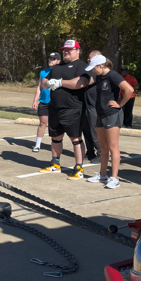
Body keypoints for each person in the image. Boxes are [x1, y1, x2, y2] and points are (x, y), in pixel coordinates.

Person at [39, 39, 90, 180]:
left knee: (75, 138)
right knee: (55, 137)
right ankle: (55, 163)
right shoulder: (57, 66)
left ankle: (79, 167)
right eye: (64, 50)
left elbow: (80, 83)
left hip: (72, 108)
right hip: (54, 107)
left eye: (70, 50)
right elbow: (43, 82)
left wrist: (60, 82)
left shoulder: (81, 66)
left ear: (78, 50)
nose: (66, 52)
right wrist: (48, 83)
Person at [84, 56, 134, 189]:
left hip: (112, 114)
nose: (93, 71)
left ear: (101, 65)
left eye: (94, 68)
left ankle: (115, 178)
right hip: (100, 113)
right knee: (103, 147)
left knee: (113, 147)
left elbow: (129, 89)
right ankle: (102, 175)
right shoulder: (99, 76)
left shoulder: (113, 75)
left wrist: (120, 104)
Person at [31, 53, 60, 152]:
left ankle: (58, 145)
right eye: (49, 59)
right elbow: (39, 87)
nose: (50, 60)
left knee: (58, 125)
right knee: (43, 122)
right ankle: (37, 145)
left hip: (56, 102)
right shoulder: (43, 72)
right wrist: (35, 100)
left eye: (53, 59)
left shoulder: (61, 72)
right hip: (44, 102)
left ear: (58, 61)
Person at [81, 50, 103, 163]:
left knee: (95, 131)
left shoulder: (97, 72)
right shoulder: (88, 70)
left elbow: (88, 82)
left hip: (94, 106)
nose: (88, 60)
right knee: (86, 130)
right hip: (85, 105)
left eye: (91, 58)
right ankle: (90, 152)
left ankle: (100, 153)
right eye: (88, 58)